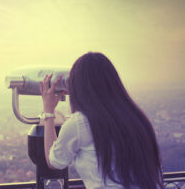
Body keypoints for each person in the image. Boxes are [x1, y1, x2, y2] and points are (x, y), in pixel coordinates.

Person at [39, 52, 164, 189]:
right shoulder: (136, 117)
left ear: (78, 86)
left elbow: (54, 161)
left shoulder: (80, 123)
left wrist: (48, 111)